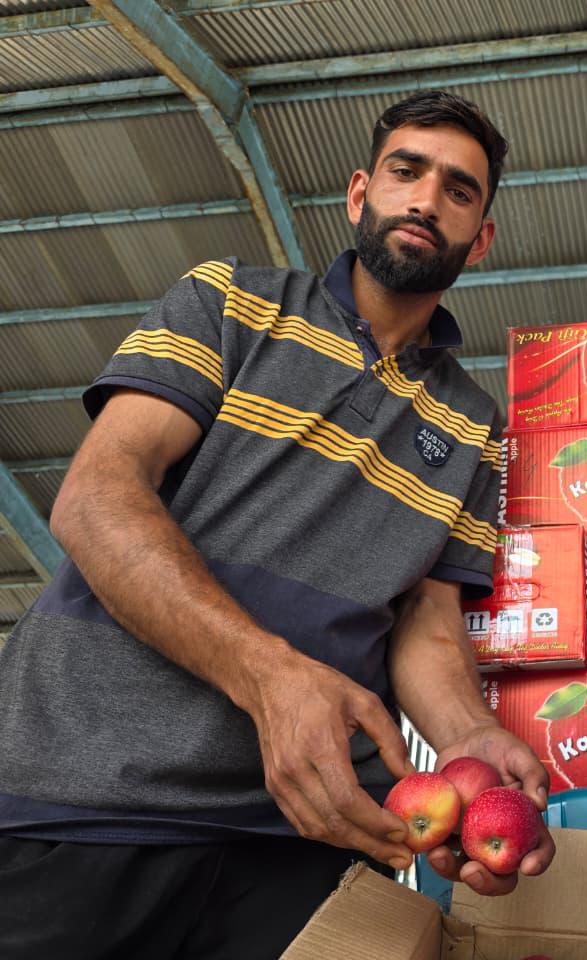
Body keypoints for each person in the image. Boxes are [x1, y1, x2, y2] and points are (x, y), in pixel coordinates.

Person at [0, 90, 555, 958]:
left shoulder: (475, 423)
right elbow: (98, 498)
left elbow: (426, 622)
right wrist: (272, 679)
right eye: (407, 172)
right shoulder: (229, 302)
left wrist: (471, 735)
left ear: (480, 237)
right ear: (359, 193)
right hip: (93, 793)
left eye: (459, 190)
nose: (426, 199)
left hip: (311, 836)